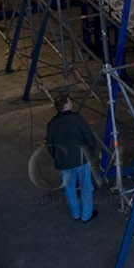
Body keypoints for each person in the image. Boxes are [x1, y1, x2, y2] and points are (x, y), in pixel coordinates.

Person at [46, 93, 98, 223]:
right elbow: (89, 138)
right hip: (80, 159)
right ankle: (86, 215)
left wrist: (58, 157)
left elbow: (50, 146)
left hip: (63, 163)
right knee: (86, 187)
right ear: (66, 105)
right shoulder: (77, 119)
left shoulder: (51, 124)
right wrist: (90, 153)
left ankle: (75, 214)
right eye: (70, 101)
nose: (72, 103)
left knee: (69, 190)